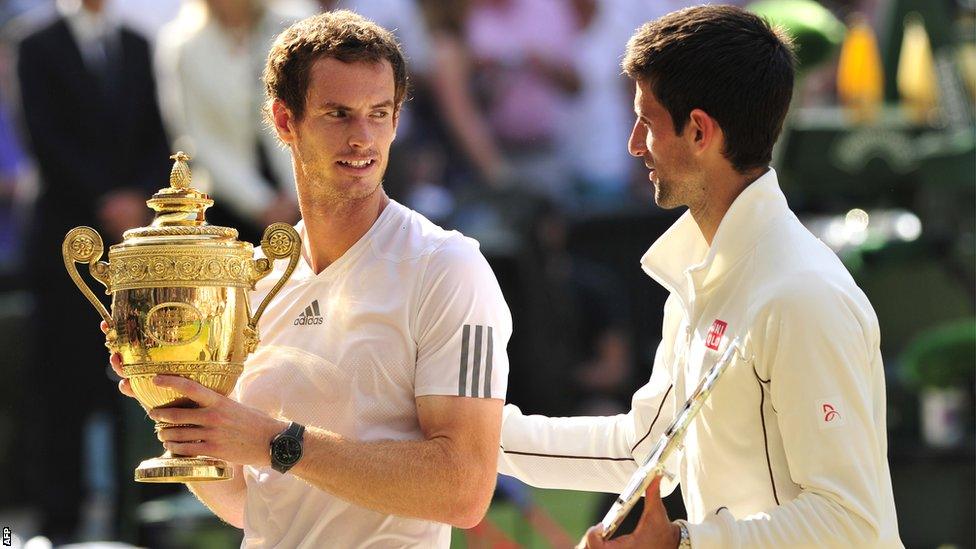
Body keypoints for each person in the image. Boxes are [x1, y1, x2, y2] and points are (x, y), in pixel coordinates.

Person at [497, 6, 903, 548]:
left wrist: (682, 542)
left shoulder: (802, 296)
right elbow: (645, 447)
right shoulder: (705, 273)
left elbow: (850, 523)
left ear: (699, 131)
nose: (633, 145)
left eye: (646, 121)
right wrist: (474, 434)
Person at [107, 10, 511, 548]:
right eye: (338, 114)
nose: (362, 138)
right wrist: (181, 410)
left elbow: (464, 489)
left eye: (379, 113)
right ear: (283, 121)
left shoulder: (448, 267)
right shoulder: (251, 283)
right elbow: (256, 505)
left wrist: (276, 442)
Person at [17, 0, 170, 540]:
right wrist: (105, 197)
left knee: (134, 380)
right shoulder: (34, 44)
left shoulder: (137, 44)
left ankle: (139, 519)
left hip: (128, 246)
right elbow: (45, 136)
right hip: (65, 239)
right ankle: (58, 523)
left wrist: (135, 198)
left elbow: (158, 132)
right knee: (62, 385)